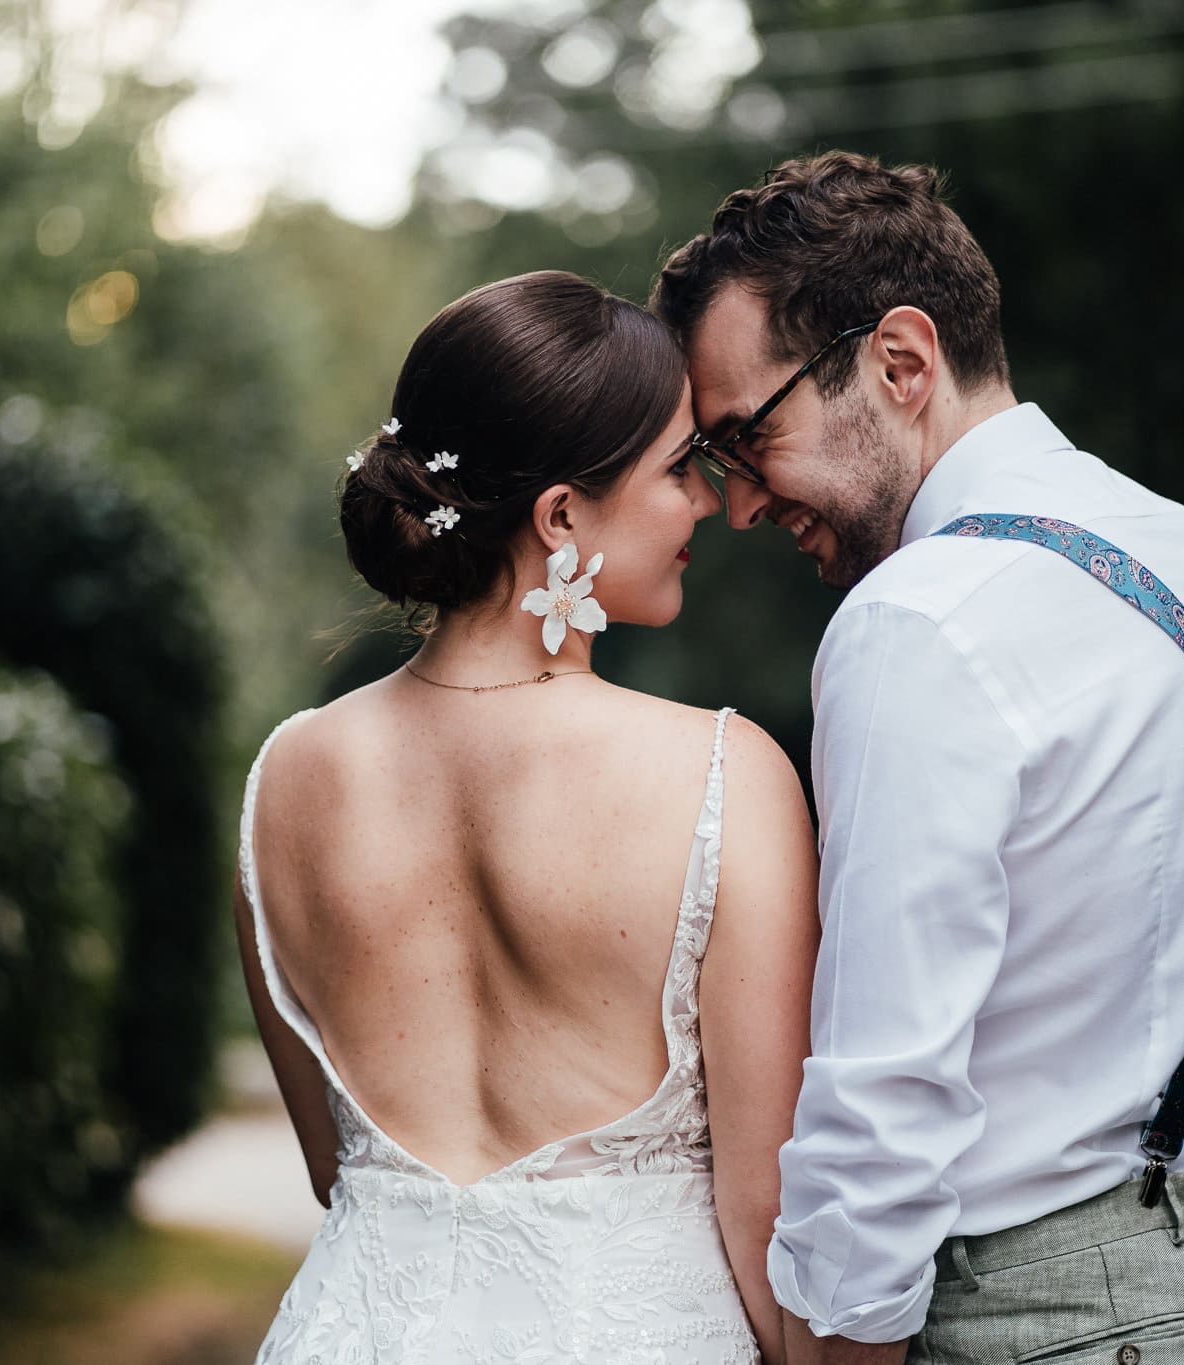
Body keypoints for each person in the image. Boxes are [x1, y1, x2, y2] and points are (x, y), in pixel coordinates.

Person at [654, 152, 1184, 1365]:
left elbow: (881, 1100)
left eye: (749, 438)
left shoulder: (919, 618)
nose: (742, 505)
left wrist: (834, 1347)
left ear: (899, 363)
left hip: (1038, 1320)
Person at [233, 270, 821, 1364]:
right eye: (676, 470)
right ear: (559, 517)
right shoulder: (722, 774)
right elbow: (763, 1212)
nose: (705, 502)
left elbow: (334, 1175)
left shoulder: (285, 779)